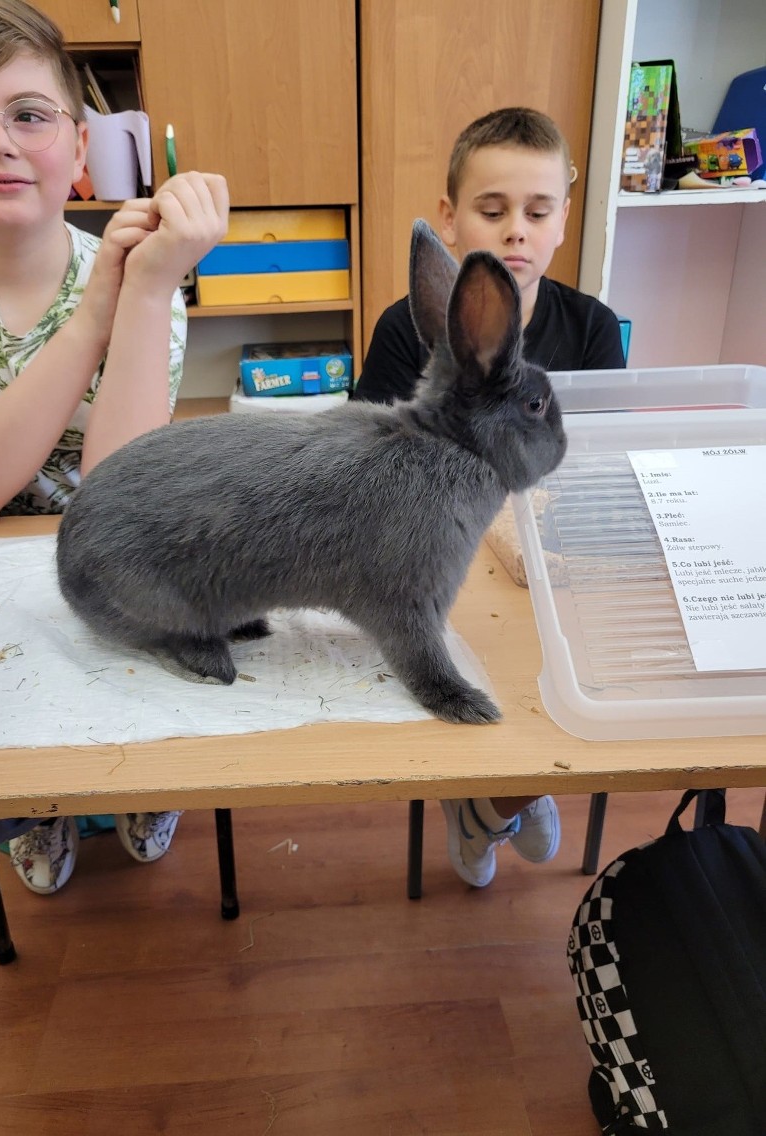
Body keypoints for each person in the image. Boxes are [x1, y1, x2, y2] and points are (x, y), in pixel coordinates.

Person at [0, 0, 229, 894]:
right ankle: (45, 806)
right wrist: (98, 312)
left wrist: (144, 290)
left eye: (29, 115)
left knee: (150, 691)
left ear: (81, 151)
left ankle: (132, 788)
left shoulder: (143, 274)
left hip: (111, 558)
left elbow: (116, 499)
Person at [353, 107, 625, 888]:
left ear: (564, 220)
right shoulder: (411, 329)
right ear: (450, 218)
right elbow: (377, 459)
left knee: (562, 661)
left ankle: (502, 794)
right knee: (463, 657)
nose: (517, 232)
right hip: (441, 555)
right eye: (492, 210)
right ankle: (492, 793)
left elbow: (595, 469)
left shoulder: (594, 329)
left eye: (538, 213)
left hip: (550, 559)